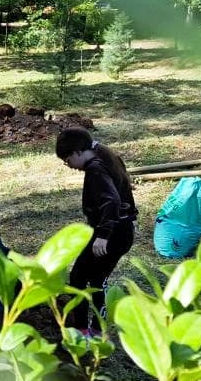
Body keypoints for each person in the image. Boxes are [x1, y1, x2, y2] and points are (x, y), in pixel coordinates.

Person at [55, 127, 138, 331]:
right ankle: (94, 328)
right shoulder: (105, 158)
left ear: (77, 152)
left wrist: (103, 236)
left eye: (67, 160)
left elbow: (111, 202)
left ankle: (86, 330)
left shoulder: (95, 170)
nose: (69, 166)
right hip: (121, 230)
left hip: (112, 234)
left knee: (81, 278)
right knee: (92, 278)